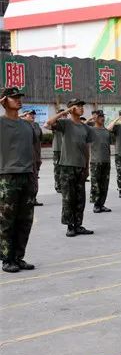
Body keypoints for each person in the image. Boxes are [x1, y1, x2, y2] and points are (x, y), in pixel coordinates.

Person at [1, 87, 38, 272]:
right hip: (7, 176)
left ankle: (18, 257)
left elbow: (32, 150)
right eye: (13, 97)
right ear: (4, 101)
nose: (18, 100)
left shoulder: (27, 126)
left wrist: (34, 176)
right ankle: (7, 259)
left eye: (19, 97)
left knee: (25, 220)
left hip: (27, 175)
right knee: (6, 221)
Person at [45, 99, 95, 237]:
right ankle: (70, 226)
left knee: (80, 198)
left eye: (82, 106)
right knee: (68, 198)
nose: (81, 108)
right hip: (67, 166)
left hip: (80, 166)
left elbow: (87, 149)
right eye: (78, 106)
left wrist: (87, 166)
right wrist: (65, 112)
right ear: (71, 108)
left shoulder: (86, 128)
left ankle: (78, 225)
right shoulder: (65, 123)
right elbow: (48, 124)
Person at [89, 110, 112, 213]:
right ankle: (96, 205)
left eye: (103, 116)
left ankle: (101, 204)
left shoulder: (106, 131)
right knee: (96, 185)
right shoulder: (90, 130)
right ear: (95, 118)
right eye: (99, 116)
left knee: (104, 185)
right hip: (96, 161)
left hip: (106, 161)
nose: (102, 118)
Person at [21, 109, 43, 207]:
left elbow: (39, 140)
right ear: (24, 116)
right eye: (29, 114)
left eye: (33, 114)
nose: (32, 116)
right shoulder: (20, 125)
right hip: (24, 157)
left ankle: (33, 198)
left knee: (35, 178)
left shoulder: (36, 126)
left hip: (36, 157)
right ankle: (25, 199)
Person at [52, 108, 64, 193]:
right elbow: (48, 124)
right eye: (62, 114)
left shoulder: (67, 123)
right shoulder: (55, 124)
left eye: (65, 114)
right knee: (57, 168)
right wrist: (58, 116)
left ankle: (63, 185)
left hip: (66, 150)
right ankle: (58, 185)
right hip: (57, 149)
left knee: (65, 169)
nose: (64, 116)